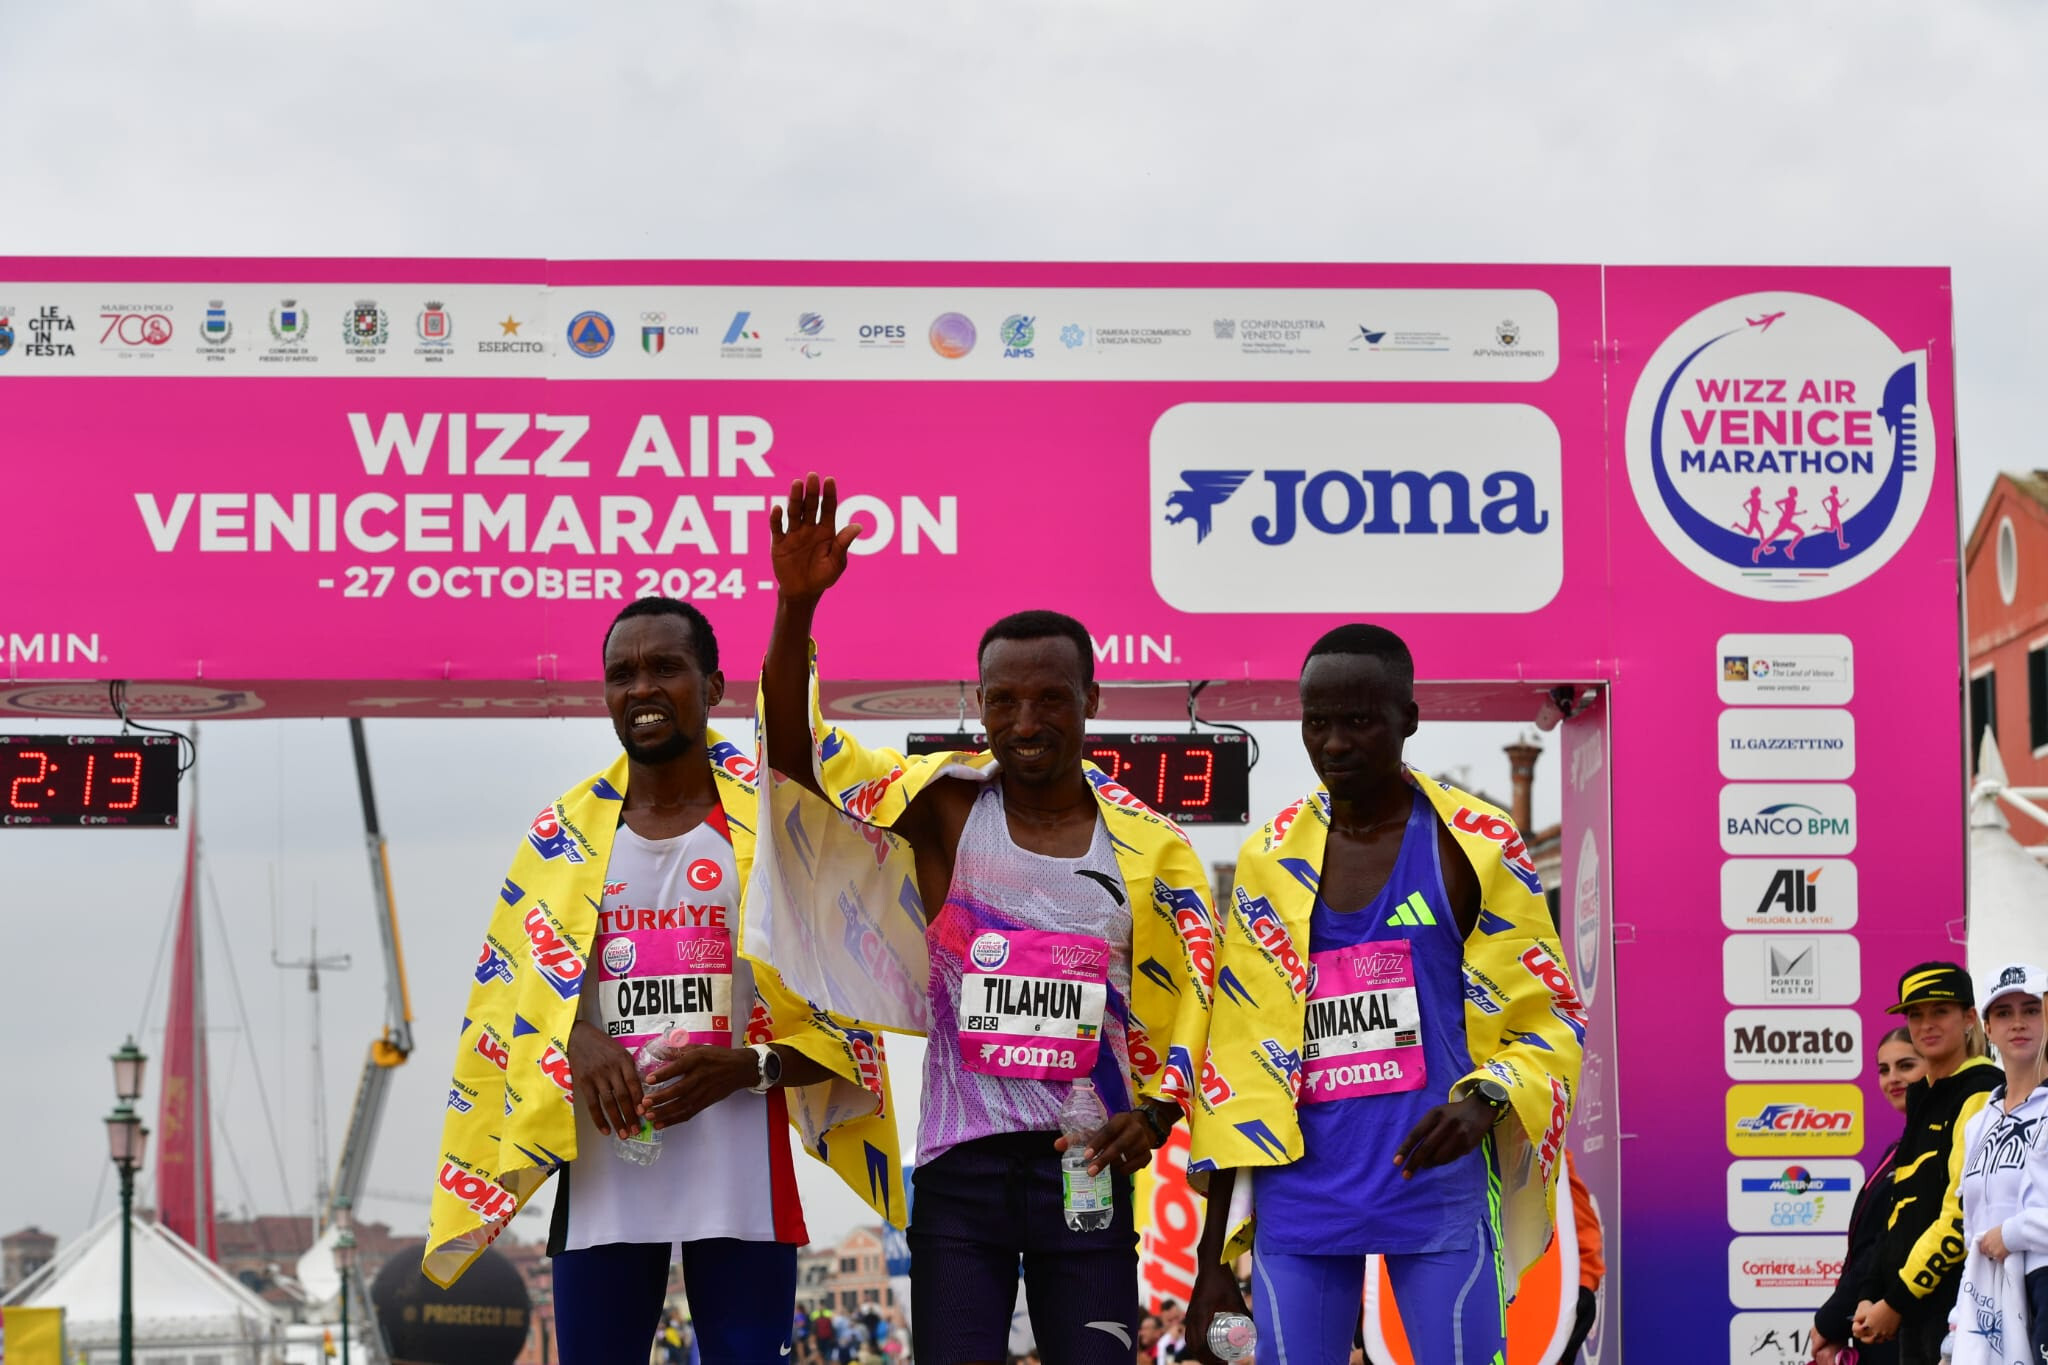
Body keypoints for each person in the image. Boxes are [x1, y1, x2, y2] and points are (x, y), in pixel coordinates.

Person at [757, 474, 1219, 1365]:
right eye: (1002, 699)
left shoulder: (1153, 849)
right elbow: (797, 765)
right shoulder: (947, 808)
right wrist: (795, 607)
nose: (1024, 720)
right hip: (961, 1174)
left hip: (1086, 1167)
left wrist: (1159, 1114)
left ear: (1093, 699)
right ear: (979, 701)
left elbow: (1200, 1005)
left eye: (1050, 698)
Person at [422, 597, 903, 1365]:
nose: (641, 687)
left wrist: (748, 1066)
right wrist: (576, 1040)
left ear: (712, 687)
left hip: (742, 1179)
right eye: (622, 673)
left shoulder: (774, 825)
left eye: (665, 667)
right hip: (604, 1180)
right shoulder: (560, 836)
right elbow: (511, 1008)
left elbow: (849, 1030)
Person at [1185, 624, 1584, 1365]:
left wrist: (1485, 1100)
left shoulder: (1474, 846)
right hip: (1300, 1196)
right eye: (1316, 722)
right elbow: (1235, 1067)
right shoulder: (1268, 860)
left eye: (1360, 720)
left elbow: (1550, 1013)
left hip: (1434, 1190)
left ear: (1409, 718)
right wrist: (1211, 1261)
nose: (1334, 742)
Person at [1852, 962, 1999, 1362]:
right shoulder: (1923, 1095)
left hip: (1957, 1311)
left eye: (1940, 1011)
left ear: (1969, 1018)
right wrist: (1870, 1293)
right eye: (1915, 1014)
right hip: (1912, 1312)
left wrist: (1895, 1301)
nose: (1926, 1025)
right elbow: (1900, 1214)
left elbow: (1960, 1218)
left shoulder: (1981, 1092)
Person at [1814, 1028, 1926, 1365]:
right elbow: (1865, 1249)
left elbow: (1887, 1242)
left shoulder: (1932, 1149)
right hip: (1870, 1323)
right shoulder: (1896, 1149)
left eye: (1906, 1066)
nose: (1893, 1079)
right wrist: (1842, 1317)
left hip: (1906, 1324)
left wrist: (1830, 1319)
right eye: (1884, 1070)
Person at [1957, 965, 2048, 1360]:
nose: (2018, 1023)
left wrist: (2012, 1234)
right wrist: (1959, 1323)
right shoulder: (1977, 1124)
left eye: (2031, 1010)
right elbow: (1973, 1234)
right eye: (2004, 1013)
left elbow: (1998, 1234)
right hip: (1991, 1308)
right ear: (1988, 1028)